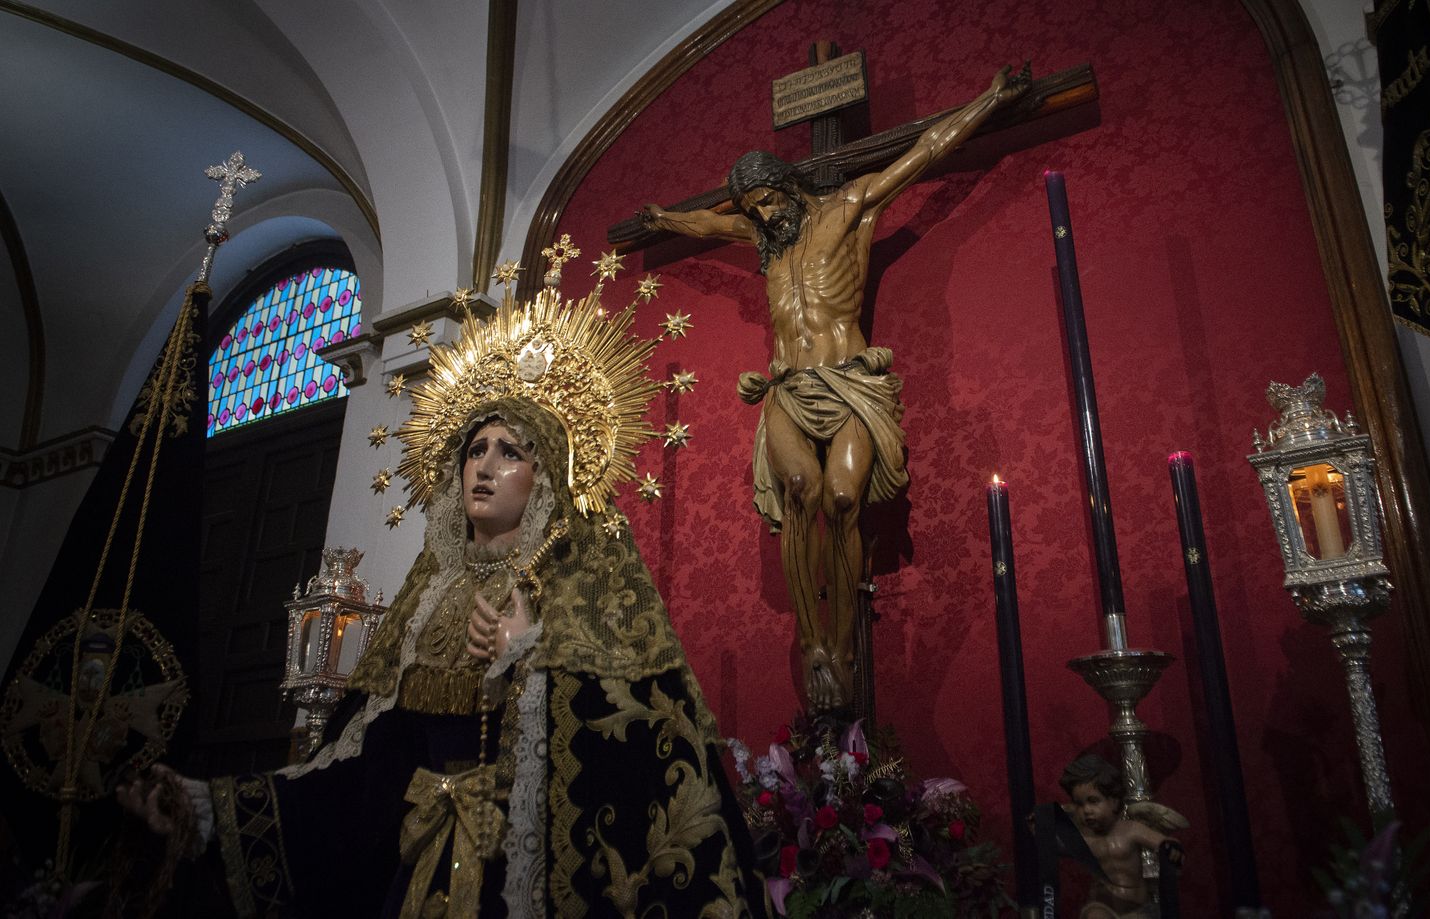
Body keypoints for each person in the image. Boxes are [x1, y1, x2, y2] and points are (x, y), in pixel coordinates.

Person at [120, 280, 768, 917]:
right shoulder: (427, 599)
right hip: (418, 870)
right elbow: (365, 770)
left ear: (546, 477)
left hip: (515, 874)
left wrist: (530, 656)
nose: (483, 466)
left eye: (510, 452)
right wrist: (215, 806)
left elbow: (633, 755)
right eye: (475, 450)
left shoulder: (580, 588)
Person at [640, 66, 1029, 711]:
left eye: (768, 200)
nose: (762, 214)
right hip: (788, 388)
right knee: (801, 489)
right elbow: (706, 226)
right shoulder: (763, 237)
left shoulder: (850, 209)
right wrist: (662, 218)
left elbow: (926, 151)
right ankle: (811, 642)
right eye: (752, 209)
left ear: (788, 185)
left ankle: (843, 643)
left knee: (844, 498)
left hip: (849, 382)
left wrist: (988, 99)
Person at [1060, 755, 1183, 919]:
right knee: (1095, 916)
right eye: (1080, 804)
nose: (1086, 810)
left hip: (1138, 907)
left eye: (1093, 801)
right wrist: (1041, 827)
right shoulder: (1083, 837)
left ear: (1114, 801)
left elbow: (1163, 842)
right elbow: (1054, 846)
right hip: (1103, 906)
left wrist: (1172, 849)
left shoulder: (1130, 830)